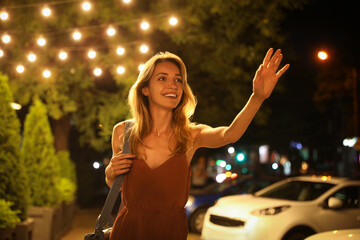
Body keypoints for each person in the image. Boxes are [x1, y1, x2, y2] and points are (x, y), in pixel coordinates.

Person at [105, 49, 289, 239]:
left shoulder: (191, 135)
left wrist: (257, 97)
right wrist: (110, 172)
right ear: (145, 89)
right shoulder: (123, 132)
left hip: (170, 231)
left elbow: (229, 134)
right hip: (128, 230)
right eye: (162, 78)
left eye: (178, 80)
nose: (173, 85)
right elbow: (115, 184)